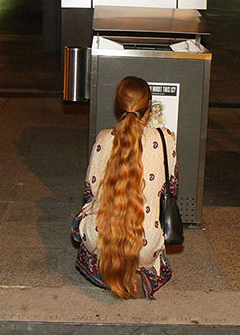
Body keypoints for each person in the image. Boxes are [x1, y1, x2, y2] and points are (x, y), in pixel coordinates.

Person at [71, 76, 178, 299]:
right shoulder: (165, 138)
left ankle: (108, 271)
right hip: (147, 243)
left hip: (101, 242)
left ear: (117, 106)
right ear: (149, 106)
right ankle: (140, 269)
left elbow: (89, 193)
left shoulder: (103, 138)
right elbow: (172, 189)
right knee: (149, 232)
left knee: (85, 217)